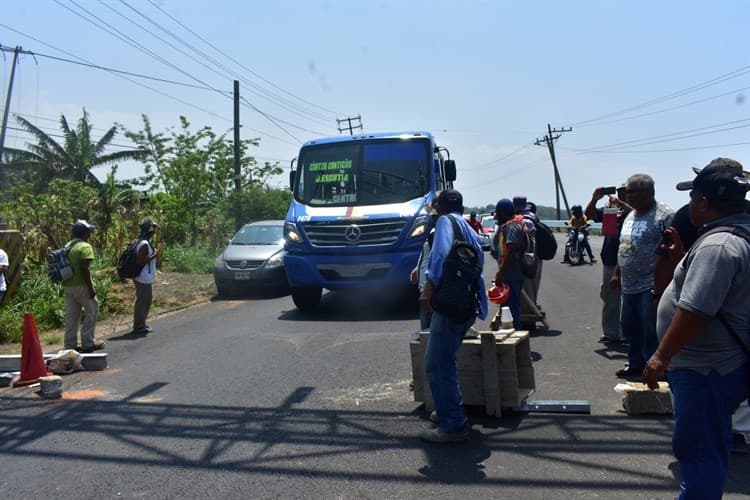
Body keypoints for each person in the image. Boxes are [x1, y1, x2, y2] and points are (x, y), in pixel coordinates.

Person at [642, 159, 750, 499]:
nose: (689, 206)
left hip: (706, 368)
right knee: (708, 445)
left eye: (693, 199)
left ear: (704, 203)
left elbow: (696, 310)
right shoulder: (736, 236)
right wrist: (682, 262)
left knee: (700, 451)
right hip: (721, 364)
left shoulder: (718, 246)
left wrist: (661, 356)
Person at [418, 189, 488, 443]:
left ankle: (452, 425)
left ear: (439, 206)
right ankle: (450, 411)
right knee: (446, 359)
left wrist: (428, 290)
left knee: (436, 363)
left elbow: (439, 258)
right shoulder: (466, 225)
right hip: (467, 302)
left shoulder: (445, 223)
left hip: (450, 303)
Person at [612, 174, 674, 378]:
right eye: (627, 192)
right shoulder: (631, 216)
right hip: (629, 284)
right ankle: (635, 362)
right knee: (630, 327)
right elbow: (625, 246)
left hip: (650, 283)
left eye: (633, 192)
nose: (628, 196)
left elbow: (670, 251)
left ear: (649, 192)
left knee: (650, 328)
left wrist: (662, 283)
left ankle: (653, 367)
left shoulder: (664, 215)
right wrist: (616, 273)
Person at [586, 185, 632, 344]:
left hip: (630, 262)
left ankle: (628, 333)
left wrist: (622, 204)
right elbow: (589, 214)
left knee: (630, 300)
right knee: (609, 296)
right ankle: (611, 333)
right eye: (619, 192)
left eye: (625, 192)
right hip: (611, 259)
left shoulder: (636, 214)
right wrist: (594, 199)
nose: (621, 195)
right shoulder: (611, 211)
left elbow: (635, 212)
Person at [62, 219, 103, 353]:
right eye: (88, 231)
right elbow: (84, 268)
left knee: (72, 316)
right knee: (92, 310)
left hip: (67, 285)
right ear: (85, 233)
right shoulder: (85, 247)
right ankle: (87, 342)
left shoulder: (68, 245)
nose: (90, 234)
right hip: (81, 285)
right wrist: (90, 287)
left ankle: (70, 344)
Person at [491, 198, 524, 331]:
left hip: (511, 274)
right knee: (509, 308)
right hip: (510, 274)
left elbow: (512, 251)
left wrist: (501, 273)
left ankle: (514, 338)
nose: (496, 217)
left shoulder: (511, 226)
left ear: (503, 213)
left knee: (511, 310)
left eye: (497, 214)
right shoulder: (508, 226)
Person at [410, 200, 437, 331]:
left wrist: (427, 290)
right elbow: (428, 255)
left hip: (430, 288)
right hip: (426, 285)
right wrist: (417, 268)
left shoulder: (436, 233)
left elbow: (437, 262)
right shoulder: (432, 232)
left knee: (428, 331)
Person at [133, 218, 159, 335]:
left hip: (142, 276)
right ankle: (139, 326)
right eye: (154, 229)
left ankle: (141, 324)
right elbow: (139, 261)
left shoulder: (141, 240)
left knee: (145, 301)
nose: (154, 231)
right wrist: (154, 255)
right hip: (143, 277)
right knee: (143, 302)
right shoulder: (144, 244)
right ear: (150, 230)